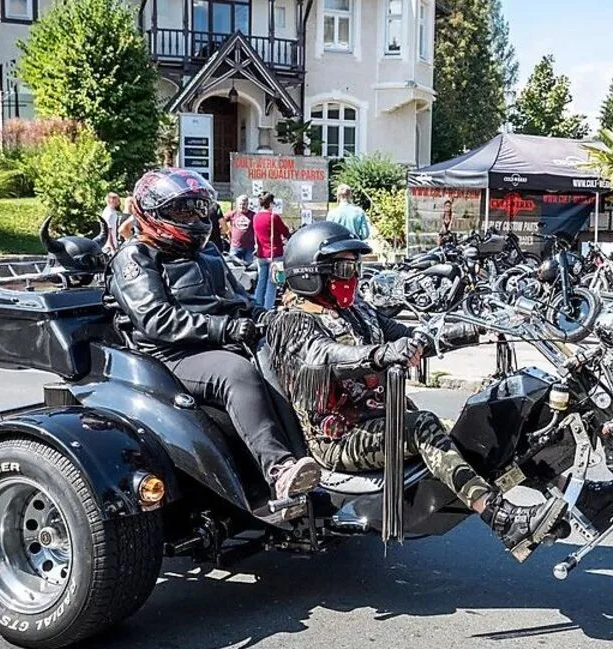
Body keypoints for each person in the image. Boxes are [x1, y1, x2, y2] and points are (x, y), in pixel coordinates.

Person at [267, 222, 569, 561]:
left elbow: (406, 334)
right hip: (340, 439)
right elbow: (327, 356)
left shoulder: (357, 311)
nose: (352, 275)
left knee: (473, 427)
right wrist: (380, 354)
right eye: (344, 268)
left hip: (382, 418)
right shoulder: (290, 323)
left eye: (355, 267)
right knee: (424, 426)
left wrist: (477, 327)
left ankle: (567, 499)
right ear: (311, 273)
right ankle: (500, 518)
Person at [105, 168, 318, 515]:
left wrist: (268, 319)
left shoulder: (208, 254)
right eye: (182, 211)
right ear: (152, 213)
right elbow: (156, 319)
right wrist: (225, 330)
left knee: (298, 357)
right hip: (168, 355)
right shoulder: (135, 257)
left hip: (220, 340)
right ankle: (279, 471)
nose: (194, 218)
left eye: (198, 209)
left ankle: (323, 454)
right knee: (236, 372)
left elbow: (238, 301)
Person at [253, 191, 290, 310]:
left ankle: (257, 307)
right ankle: (267, 309)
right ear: (270, 203)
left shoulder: (255, 217)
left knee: (261, 282)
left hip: (261, 254)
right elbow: (285, 232)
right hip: (274, 254)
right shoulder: (274, 217)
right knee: (272, 283)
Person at [226, 195, 255, 262]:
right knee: (233, 267)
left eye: (244, 204)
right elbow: (222, 220)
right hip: (235, 246)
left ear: (247, 204)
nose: (242, 206)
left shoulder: (253, 215)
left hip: (249, 247)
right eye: (240, 204)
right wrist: (227, 231)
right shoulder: (233, 213)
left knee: (249, 267)